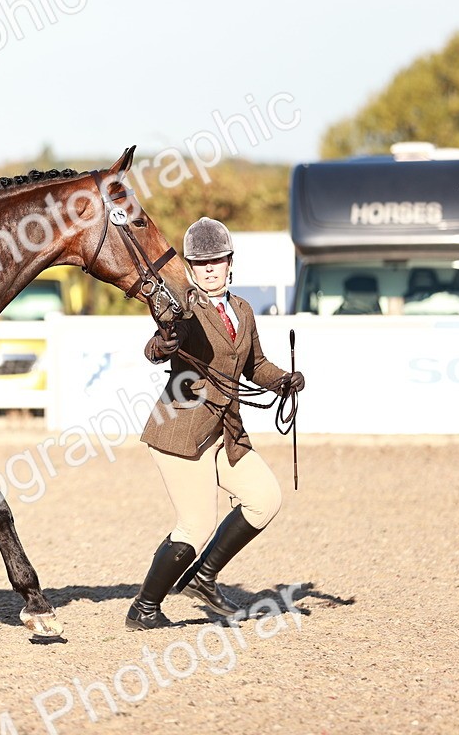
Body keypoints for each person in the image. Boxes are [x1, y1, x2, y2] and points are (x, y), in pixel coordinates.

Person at [126, 217, 305, 630]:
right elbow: (159, 344)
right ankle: (144, 607)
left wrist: (282, 381)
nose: (209, 269)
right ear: (189, 268)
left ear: (229, 263)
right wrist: (162, 344)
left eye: (217, 261)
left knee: (265, 498)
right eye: (200, 263)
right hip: (180, 429)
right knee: (197, 524)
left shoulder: (242, 309)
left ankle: (202, 578)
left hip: (226, 430)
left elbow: (255, 365)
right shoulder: (184, 307)